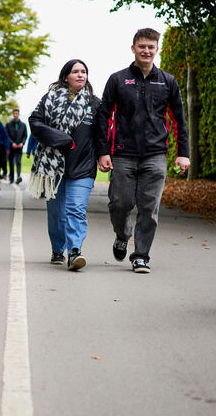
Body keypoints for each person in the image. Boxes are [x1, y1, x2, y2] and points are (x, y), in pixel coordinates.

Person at [95, 28, 190, 274]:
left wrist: (183, 152)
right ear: (133, 48)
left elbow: (179, 119)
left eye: (151, 46)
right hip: (122, 154)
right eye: (142, 46)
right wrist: (103, 151)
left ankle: (141, 256)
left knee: (149, 209)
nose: (146, 51)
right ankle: (122, 234)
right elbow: (103, 116)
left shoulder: (167, 81)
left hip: (155, 155)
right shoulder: (117, 79)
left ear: (156, 49)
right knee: (119, 204)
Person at [28, 59, 100, 270]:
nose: (80, 75)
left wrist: (105, 155)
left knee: (75, 209)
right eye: (75, 71)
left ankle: (75, 251)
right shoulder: (49, 98)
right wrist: (62, 139)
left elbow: (102, 134)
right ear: (65, 76)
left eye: (84, 72)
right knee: (57, 213)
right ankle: (58, 248)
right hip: (53, 167)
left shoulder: (94, 103)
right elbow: (35, 122)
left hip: (83, 165)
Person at [6, 108, 28, 184]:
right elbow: (7, 136)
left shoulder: (23, 125)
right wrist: (12, 143)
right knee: (11, 163)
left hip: (19, 147)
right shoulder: (8, 125)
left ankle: (18, 177)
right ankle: (11, 178)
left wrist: (22, 143)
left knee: (18, 161)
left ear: (18, 114)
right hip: (12, 147)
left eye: (17, 114)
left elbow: (25, 136)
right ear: (13, 114)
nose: (15, 115)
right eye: (14, 113)